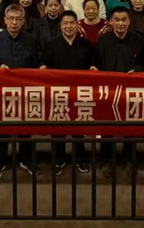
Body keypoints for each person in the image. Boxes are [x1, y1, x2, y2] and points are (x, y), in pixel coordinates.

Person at [0, 5, 41, 176]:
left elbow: (37, 63)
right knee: (0, 128)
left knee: (26, 127)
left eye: (18, 19)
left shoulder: (31, 40)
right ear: (5, 20)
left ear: (23, 21)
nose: (14, 22)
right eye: (11, 19)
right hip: (1, 91)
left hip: (24, 91)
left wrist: (42, 67)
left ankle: (26, 160)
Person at [40, 10, 97, 174]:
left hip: (79, 93)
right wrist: (43, 67)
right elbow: (43, 63)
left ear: (77, 25)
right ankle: (58, 158)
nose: (69, 26)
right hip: (58, 93)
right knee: (58, 127)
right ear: (61, 26)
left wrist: (93, 68)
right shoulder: (51, 44)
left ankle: (80, 158)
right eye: (65, 23)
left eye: (72, 23)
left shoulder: (86, 44)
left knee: (78, 128)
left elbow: (93, 63)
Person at [96, 8, 144, 178]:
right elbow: (96, 63)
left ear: (129, 22)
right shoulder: (102, 41)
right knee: (107, 127)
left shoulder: (138, 41)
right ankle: (107, 160)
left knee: (130, 126)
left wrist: (137, 70)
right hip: (108, 92)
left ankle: (129, 159)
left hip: (130, 92)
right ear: (110, 21)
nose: (120, 23)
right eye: (116, 20)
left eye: (123, 20)